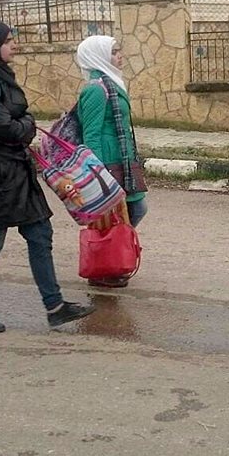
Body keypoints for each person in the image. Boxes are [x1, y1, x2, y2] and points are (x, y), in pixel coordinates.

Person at [0, 20, 94, 333]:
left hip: (14, 171)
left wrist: (22, 124)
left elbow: (15, 124)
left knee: (40, 234)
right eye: (6, 40)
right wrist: (26, 125)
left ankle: (55, 306)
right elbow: (7, 128)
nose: (13, 44)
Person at [75, 34, 148, 287]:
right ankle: (104, 264)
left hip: (123, 158)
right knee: (119, 214)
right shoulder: (96, 89)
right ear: (99, 56)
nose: (120, 56)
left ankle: (112, 259)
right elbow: (91, 134)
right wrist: (98, 173)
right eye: (115, 51)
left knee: (131, 210)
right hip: (109, 162)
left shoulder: (111, 82)